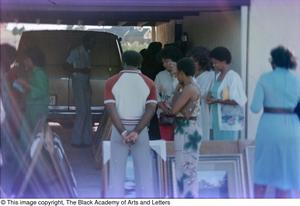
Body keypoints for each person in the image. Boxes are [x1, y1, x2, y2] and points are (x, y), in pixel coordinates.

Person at [104, 50, 156, 197]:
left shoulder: (111, 82)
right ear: (140, 64)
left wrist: (123, 132)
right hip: (141, 131)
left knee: (116, 173)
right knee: (144, 173)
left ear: (123, 62)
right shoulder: (149, 82)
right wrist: (137, 131)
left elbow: (111, 108)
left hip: (119, 130)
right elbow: (151, 109)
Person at [251, 46, 300, 198]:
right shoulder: (296, 80)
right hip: (292, 128)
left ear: (273, 62)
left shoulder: (265, 78)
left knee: (262, 172)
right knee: (285, 176)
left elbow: (255, 107)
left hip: (269, 126)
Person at [168, 57, 202, 198]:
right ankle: (186, 195)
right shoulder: (191, 86)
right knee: (186, 164)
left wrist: (177, 90)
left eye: (177, 74)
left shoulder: (189, 88)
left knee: (186, 166)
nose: (176, 76)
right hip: (187, 128)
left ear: (182, 73)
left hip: (187, 129)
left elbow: (174, 109)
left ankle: (187, 196)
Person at [206, 47, 247, 140]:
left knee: (228, 150)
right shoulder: (217, 76)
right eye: (213, 63)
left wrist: (217, 101)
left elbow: (237, 100)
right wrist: (210, 97)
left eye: (215, 62)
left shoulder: (233, 77)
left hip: (228, 123)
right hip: (217, 122)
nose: (213, 65)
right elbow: (223, 95)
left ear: (224, 61)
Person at [65, 33, 96, 147]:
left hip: (85, 83)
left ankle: (87, 140)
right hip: (78, 82)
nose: (93, 44)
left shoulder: (88, 52)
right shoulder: (76, 51)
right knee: (82, 112)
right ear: (86, 41)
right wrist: (80, 70)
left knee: (88, 112)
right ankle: (76, 140)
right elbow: (66, 65)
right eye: (92, 42)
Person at [19, 47, 49, 150]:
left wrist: (26, 85)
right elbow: (31, 90)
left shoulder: (40, 73)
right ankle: (27, 157)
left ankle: (32, 159)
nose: (24, 61)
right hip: (31, 109)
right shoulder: (32, 73)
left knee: (35, 137)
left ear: (32, 60)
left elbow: (41, 91)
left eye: (26, 59)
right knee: (25, 135)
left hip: (38, 110)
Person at [155, 46, 183, 140]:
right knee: (166, 142)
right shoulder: (160, 76)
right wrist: (164, 109)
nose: (164, 64)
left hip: (181, 114)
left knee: (180, 141)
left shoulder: (184, 75)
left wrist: (175, 75)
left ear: (175, 60)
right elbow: (155, 94)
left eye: (167, 61)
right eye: (163, 62)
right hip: (164, 115)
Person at [187, 46, 215, 140]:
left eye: (194, 61)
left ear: (202, 61)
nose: (192, 64)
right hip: (192, 112)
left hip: (204, 111)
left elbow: (201, 92)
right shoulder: (192, 75)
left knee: (203, 136)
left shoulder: (209, 75)